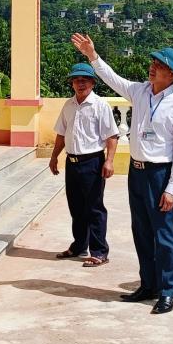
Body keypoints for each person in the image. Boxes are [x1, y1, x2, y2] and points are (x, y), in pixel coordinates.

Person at [71, 33, 173, 315]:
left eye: (159, 65)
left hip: (160, 173)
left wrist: (172, 188)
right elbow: (113, 79)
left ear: (172, 74)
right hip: (137, 172)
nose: (152, 67)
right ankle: (148, 284)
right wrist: (92, 55)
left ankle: (168, 290)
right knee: (141, 230)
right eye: (152, 62)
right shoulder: (140, 91)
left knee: (164, 233)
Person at [49, 62, 120, 267]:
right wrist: (54, 157)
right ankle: (79, 246)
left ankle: (99, 251)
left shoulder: (100, 105)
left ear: (92, 83)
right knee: (76, 207)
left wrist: (109, 161)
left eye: (85, 80)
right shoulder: (68, 105)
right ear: (72, 83)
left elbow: (112, 135)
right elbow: (61, 133)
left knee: (94, 208)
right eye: (76, 79)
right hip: (72, 163)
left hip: (92, 163)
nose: (80, 83)